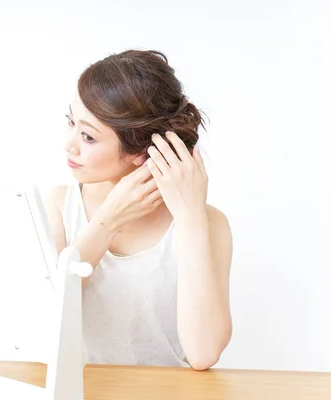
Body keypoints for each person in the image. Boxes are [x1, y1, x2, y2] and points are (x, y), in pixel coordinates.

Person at [45, 49, 233, 371]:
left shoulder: (207, 223)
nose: (69, 144)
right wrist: (108, 221)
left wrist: (190, 220)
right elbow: (46, 319)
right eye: (71, 122)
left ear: (139, 154)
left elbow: (203, 354)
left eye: (88, 136)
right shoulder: (61, 207)